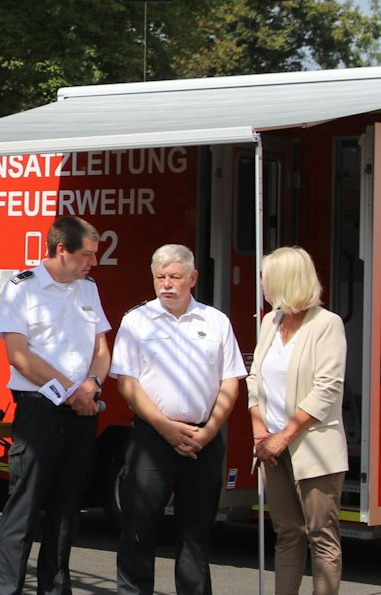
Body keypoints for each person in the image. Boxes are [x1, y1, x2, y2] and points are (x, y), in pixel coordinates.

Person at [111, 244, 247, 595]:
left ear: (193, 278)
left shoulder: (216, 321)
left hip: (204, 439)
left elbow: (230, 381)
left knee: (196, 534)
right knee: (139, 530)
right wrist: (166, 429)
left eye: (174, 277)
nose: (167, 285)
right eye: (160, 277)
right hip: (152, 438)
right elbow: (127, 382)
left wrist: (209, 431)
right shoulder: (136, 321)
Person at [0, 215, 112, 595]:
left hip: (82, 411)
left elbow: (102, 348)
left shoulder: (88, 289)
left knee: (66, 511)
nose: (93, 263)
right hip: (39, 409)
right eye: (87, 255)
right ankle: (7, 589)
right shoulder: (22, 288)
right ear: (62, 250)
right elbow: (18, 355)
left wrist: (91, 384)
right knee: (24, 509)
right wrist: (71, 391)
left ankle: (55, 588)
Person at [247, 246, 348, 595]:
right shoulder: (269, 322)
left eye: (266, 276)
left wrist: (284, 436)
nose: (261, 282)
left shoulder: (327, 324)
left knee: (321, 535)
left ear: (286, 279)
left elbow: (327, 390)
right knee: (288, 533)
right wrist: (260, 430)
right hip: (272, 445)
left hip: (313, 447)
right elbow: (254, 380)